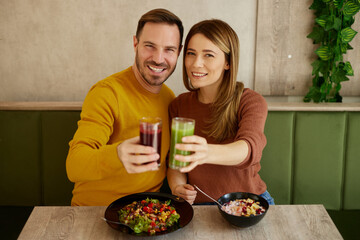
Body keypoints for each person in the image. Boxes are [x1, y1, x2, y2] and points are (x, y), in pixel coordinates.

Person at [66, 8, 183, 206]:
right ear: (135, 44)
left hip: (147, 214)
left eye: (169, 49)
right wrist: (118, 154)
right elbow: (74, 165)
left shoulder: (170, 99)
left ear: (178, 52)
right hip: (93, 213)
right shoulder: (107, 92)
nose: (158, 58)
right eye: (150, 46)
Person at [167, 19, 275, 205]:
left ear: (228, 62)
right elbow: (176, 163)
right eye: (191, 54)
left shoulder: (250, 101)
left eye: (208, 55)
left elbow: (249, 149)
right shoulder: (178, 105)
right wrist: (177, 187)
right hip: (199, 206)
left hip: (248, 202)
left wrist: (205, 152)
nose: (196, 64)